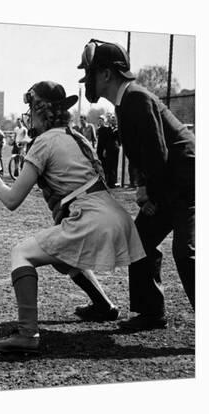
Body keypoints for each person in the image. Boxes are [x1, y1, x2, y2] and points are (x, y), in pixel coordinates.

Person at [0, 81, 144, 353]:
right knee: (60, 253)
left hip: (92, 217)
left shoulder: (42, 142)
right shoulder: (76, 135)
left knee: (22, 253)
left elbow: (11, 200)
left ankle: (27, 335)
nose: (29, 114)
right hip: (114, 215)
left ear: (41, 111)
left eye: (31, 108)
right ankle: (103, 305)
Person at [78, 39, 195, 329]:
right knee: (139, 241)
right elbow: (143, 155)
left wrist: (151, 193)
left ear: (106, 74)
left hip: (188, 182)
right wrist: (146, 187)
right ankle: (151, 313)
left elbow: (158, 153)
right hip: (169, 181)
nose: (87, 81)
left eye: (91, 74)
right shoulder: (124, 102)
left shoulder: (137, 98)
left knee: (186, 251)